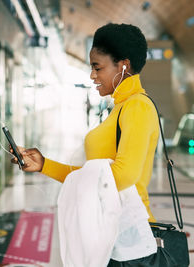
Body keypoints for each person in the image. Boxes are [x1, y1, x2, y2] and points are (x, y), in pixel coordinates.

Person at [11, 23, 160, 265]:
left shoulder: (137, 106)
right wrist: (44, 165)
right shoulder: (120, 108)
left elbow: (123, 175)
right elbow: (96, 176)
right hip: (109, 229)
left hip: (127, 237)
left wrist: (76, 184)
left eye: (97, 67)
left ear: (123, 66)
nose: (92, 75)